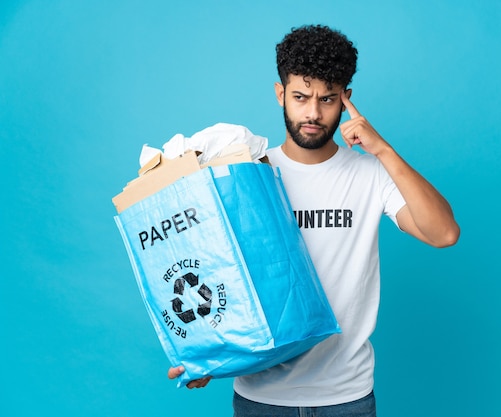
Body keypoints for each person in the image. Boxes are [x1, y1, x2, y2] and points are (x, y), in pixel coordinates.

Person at [168, 24, 460, 416]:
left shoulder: (369, 174)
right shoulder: (249, 173)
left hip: (347, 397)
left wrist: (385, 152)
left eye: (327, 99)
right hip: (262, 397)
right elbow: (219, 270)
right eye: (301, 97)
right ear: (280, 94)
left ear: (346, 100)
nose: (313, 113)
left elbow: (444, 233)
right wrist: (210, 354)